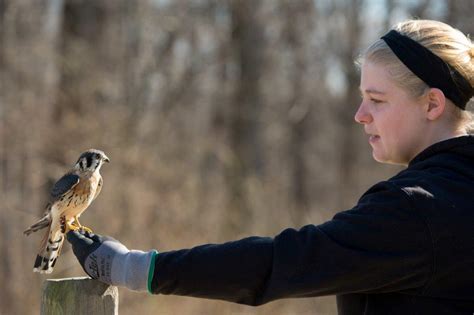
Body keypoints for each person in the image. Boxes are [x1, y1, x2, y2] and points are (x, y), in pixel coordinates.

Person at [67, 19, 474, 314]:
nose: (360, 114)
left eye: (377, 99)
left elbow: (281, 263)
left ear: (432, 104)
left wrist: (134, 268)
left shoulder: (416, 211)